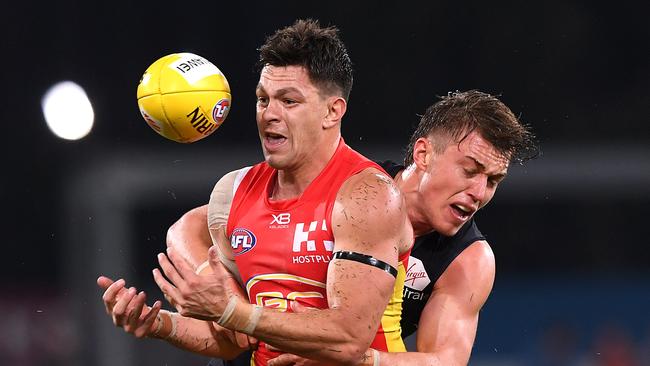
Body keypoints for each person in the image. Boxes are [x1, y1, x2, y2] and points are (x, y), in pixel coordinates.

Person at [97, 18, 413, 366]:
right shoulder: (232, 193)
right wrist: (158, 323)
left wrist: (232, 311)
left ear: (332, 111)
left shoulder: (366, 194)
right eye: (263, 99)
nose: (269, 114)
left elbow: (349, 338)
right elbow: (234, 340)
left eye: (289, 101)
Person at [166, 89, 537, 366]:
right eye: (470, 171)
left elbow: (444, 361)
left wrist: (359, 357)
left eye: (492, 181)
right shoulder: (352, 186)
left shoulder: (468, 260)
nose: (478, 192)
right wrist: (223, 286)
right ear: (422, 154)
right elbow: (187, 229)